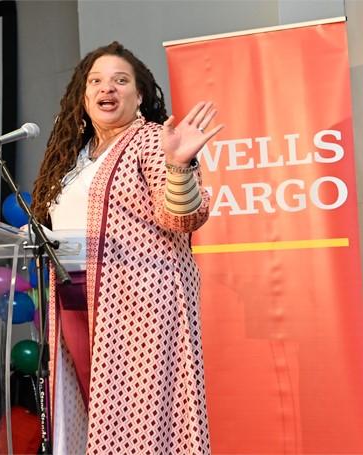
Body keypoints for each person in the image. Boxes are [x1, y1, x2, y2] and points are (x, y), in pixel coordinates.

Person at [31, 41, 223, 454]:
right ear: (83, 96)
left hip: (139, 304)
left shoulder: (153, 140)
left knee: (137, 420)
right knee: (91, 406)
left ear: (139, 95)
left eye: (121, 80)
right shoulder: (72, 156)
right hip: (73, 292)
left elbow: (182, 219)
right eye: (96, 80)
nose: (108, 88)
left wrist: (178, 167)